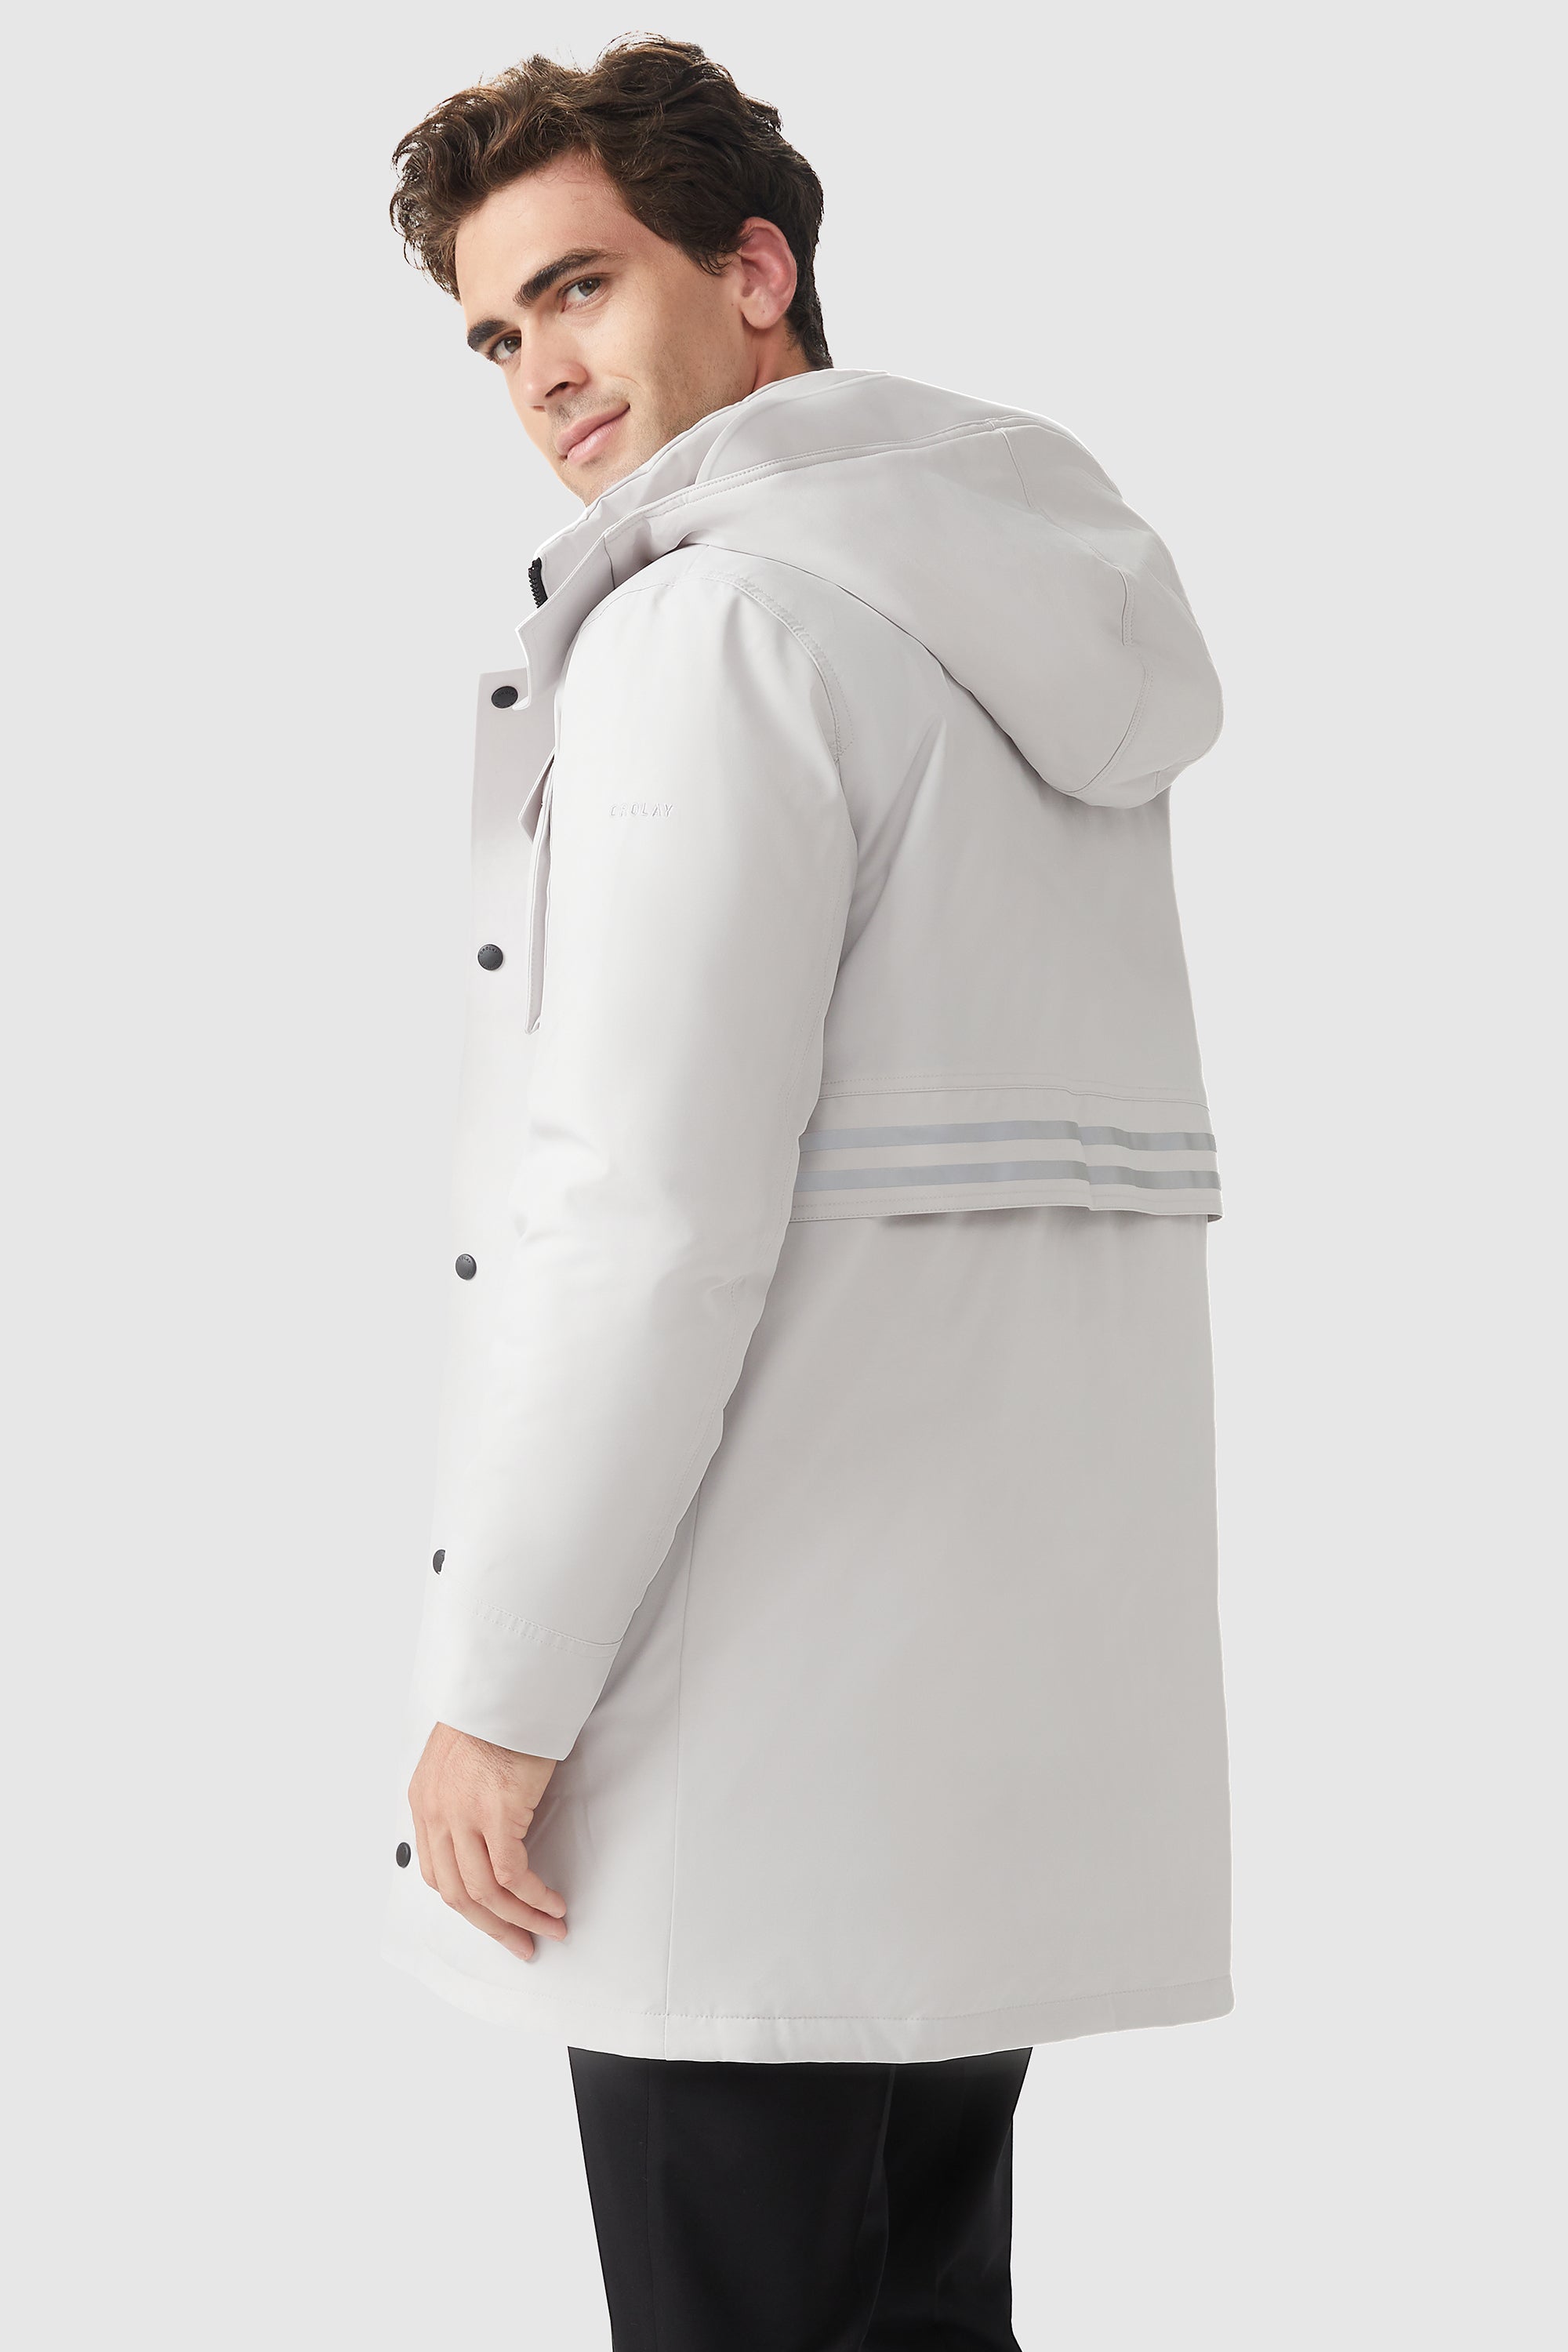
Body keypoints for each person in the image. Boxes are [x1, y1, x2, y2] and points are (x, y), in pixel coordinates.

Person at [382, 36, 1232, 2350]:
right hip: (981, 1743)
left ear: (755, 269)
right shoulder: (1001, 623)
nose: (542, 373)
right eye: (496, 334)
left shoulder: (717, 632)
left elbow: (647, 1214)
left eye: (579, 288)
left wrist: (501, 1692)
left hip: (739, 1750)